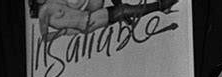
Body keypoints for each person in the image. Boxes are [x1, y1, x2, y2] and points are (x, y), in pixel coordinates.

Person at [33, 0, 178, 39]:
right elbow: (45, 37)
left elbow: (76, 6)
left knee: (120, 10)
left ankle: (125, 17)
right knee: (123, 9)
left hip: (87, 13)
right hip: (86, 23)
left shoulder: (54, 0)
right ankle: (161, 6)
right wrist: (66, 32)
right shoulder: (44, 12)